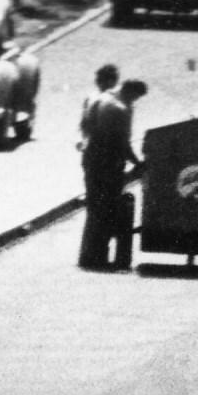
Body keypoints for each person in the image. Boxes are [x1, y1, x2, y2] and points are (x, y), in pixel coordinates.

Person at [77, 69, 137, 273]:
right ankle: (98, 257)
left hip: (91, 161)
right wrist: (136, 162)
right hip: (108, 165)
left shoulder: (98, 99)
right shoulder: (119, 108)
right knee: (106, 210)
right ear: (131, 93)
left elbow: (84, 127)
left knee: (94, 209)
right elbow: (122, 142)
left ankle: (88, 256)